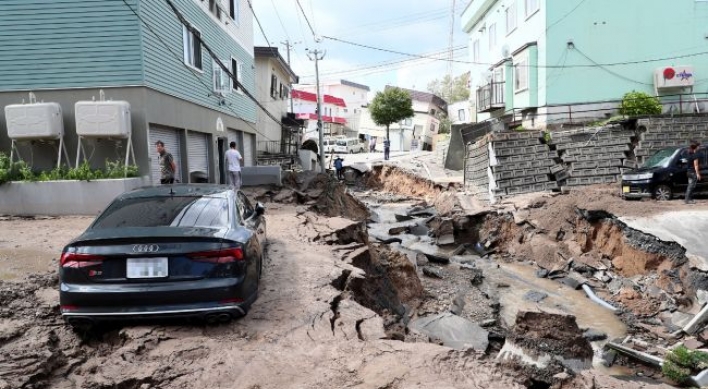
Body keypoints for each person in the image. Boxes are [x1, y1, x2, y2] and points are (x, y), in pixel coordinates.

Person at [685, 140, 703, 204]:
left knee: (690, 186)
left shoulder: (689, 153)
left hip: (688, 172)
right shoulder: (695, 155)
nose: (699, 148)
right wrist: (698, 174)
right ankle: (687, 200)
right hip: (692, 173)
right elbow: (696, 165)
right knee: (691, 186)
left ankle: (689, 199)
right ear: (696, 147)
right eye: (699, 146)